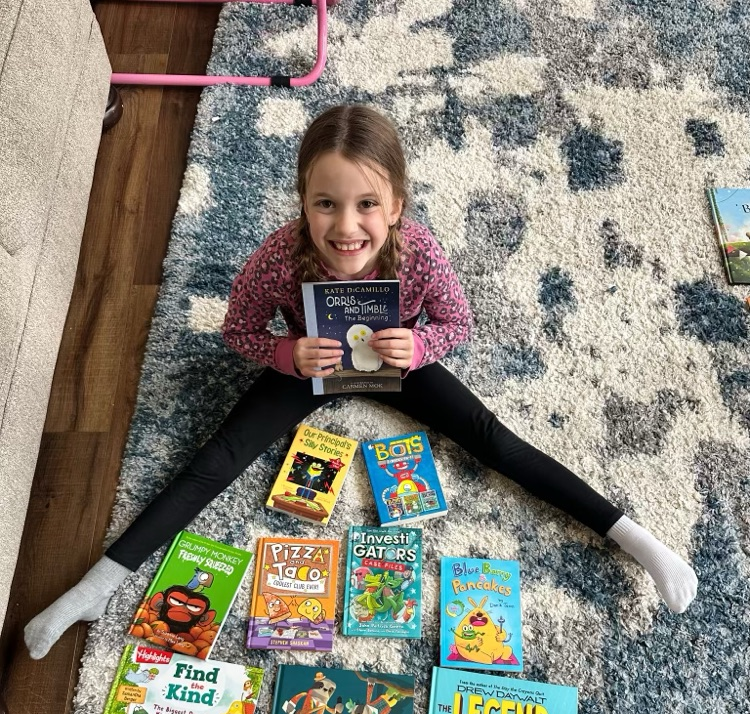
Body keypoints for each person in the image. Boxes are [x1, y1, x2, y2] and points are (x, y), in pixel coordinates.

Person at [24, 104, 698, 660]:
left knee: (494, 440)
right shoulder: (278, 258)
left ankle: (637, 541)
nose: (346, 227)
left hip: (398, 366)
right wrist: (288, 355)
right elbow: (238, 331)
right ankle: (97, 585)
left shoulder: (422, 252)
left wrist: (421, 343)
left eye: (367, 205)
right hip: (311, 367)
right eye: (326, 205)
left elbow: (459, 321)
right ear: (303, 204)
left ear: (397, 205)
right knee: (217, 461)